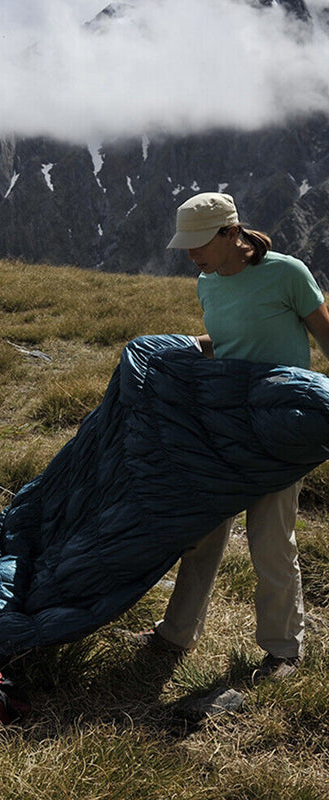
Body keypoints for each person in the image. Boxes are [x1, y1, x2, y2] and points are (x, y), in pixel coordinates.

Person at [142, 191, 329, 680]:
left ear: (231, 233)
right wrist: (181, 348)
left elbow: (326, 336)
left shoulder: (288, 273)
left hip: (277, 428)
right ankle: (176, 633)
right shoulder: (207, 282)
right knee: (202, 532)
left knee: (271, 539)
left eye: (198, 243)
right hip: (224, 423)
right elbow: (227, 342)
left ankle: (284, 649)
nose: (190, 255)